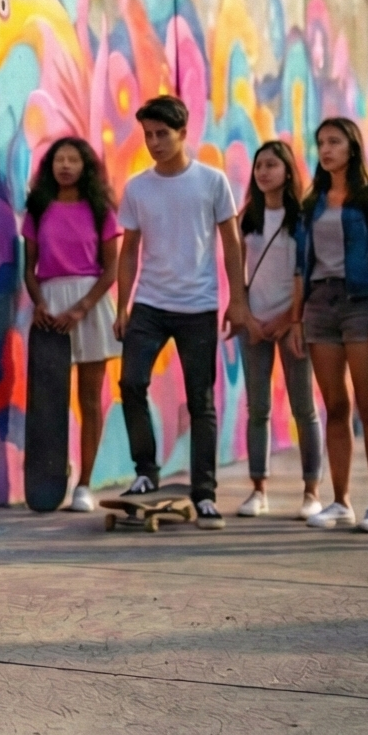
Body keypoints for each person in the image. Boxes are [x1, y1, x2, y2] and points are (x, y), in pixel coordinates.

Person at [113, 94, 247, 520]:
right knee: (132, 383)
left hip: (198, 306)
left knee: (200, 399)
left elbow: (231, 243)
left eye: (162, 134)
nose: (154, 142)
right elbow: (129, 251)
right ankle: (146, 470)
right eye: (148, 135)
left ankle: (204, 491)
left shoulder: (212, 182)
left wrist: (237, 301)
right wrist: (123, 306)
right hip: (150, 303)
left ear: (183, 133)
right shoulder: (137, 187)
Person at [293, 116, 368, 533]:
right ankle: (340, 502)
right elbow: (301, 267)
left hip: (363, 304)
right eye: (321, 142)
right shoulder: (312, 203)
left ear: (352, 147)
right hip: (320, 306)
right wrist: (297, 316)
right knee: (335, 408)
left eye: (334, 142)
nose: (326, 149)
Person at [20, 136, 121, 511]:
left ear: (85, 167)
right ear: (51, 166)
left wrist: (81, 309)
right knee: (48, 402)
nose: (65, 166)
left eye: (73, 160)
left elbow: (111, 270)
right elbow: (28, 269)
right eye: (59, 159)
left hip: (90, 305)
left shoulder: (100, 210)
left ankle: (84, 485)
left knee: (89, 400)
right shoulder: (38, 209)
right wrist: (40, 302)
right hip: (50, 304)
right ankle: (53, 473)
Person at [231, 139, 322, 518]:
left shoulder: (302, 218)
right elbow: (237, 274)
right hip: (253, 322)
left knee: (304, 407)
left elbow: (309, 272)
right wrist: (247, 317)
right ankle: (258, 489)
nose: (263, 172)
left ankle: (311, 493)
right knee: (258, 408)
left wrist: (288, 320)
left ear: (287, 170)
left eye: (272, 165)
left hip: (292, 323)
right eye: (258, 166)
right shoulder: (246, 218)